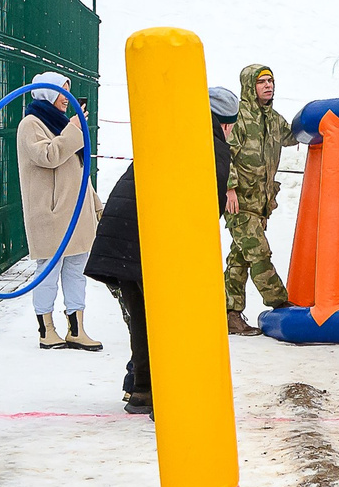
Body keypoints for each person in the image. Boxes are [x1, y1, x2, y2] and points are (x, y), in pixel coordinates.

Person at [87, 85, 235, 416]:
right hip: (149, 241)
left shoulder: (169, 131)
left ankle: (142, 391)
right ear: (223, 122)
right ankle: (170, 397)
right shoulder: (210, 145)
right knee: (170, 320)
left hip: (122, 235)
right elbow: (208, 204)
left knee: (143, 319)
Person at [17, 71, 102, 352]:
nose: (67, 99)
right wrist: (74, 130)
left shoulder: (63, 124)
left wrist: (96, 204)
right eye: (62, 92)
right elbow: (49, 156)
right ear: (49, 94)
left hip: (75, 213)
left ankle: (76, 329)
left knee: (76, 271)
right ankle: (46, 330)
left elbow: (78, 171)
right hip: (50, 214)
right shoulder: (31, 125)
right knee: (48, 270)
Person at [223, 62, 295, 334]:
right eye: (262, 82)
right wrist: (229, 188)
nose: (268, 86)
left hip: (261, 205)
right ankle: (281, 303)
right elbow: (224, 154)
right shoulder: (238, 118)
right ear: (249, 87)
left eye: (271, 81)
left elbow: (294, 136)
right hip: (238, 202)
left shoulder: (274, 120)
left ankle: (230, 312)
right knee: (259, 253)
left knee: (240, 258)